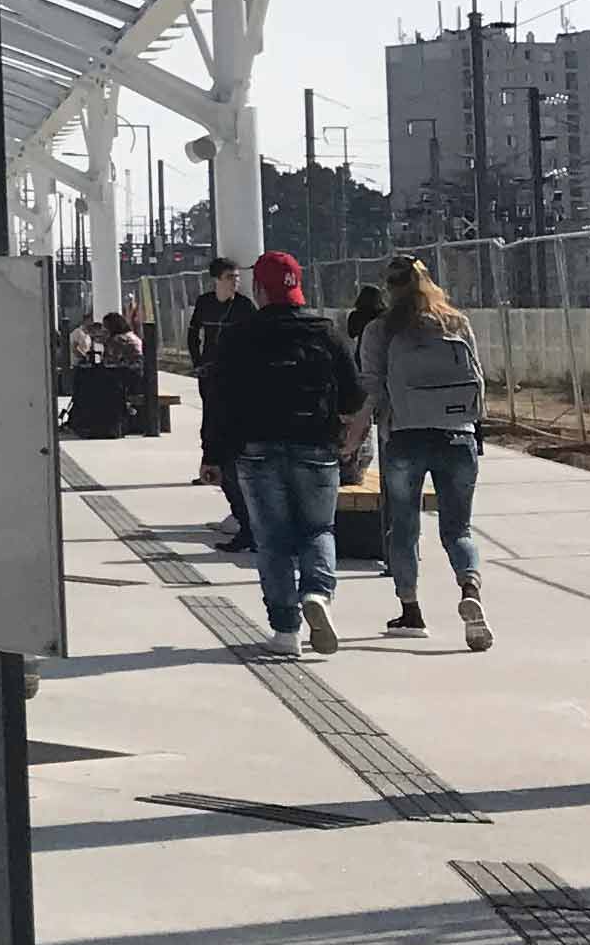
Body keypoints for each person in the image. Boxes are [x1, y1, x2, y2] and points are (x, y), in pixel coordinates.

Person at [198, 249, 365, 654]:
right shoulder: (325, 332)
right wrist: (346, 434)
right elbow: (354, 395)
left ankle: (286, 632)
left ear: (259, 289)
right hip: (316, 446)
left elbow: (220, 400)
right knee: (318, 530)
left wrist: (212, 455)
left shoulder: (239, 334)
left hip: (256, 449)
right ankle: (317, 595)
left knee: (271, 538)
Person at [358, 253, 492, 650]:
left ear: (390, 288)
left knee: (403, 528)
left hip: (404, 437)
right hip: (458, 436)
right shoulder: (456, 322)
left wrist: (357, 432)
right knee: (459, 529)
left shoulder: (380, 329)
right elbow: (478, 380)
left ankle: (411, 612)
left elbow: (372, 388)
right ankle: (470, 590)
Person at [186, 259, 257, 550]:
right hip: (209, 373)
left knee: (224, 425)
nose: (235, 282)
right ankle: (210, 462)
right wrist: (198, 360)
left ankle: (217, 465)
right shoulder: (205, 303)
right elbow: (193, 333)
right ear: (216, 279)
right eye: (230, 277)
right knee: (210, 419)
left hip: (236, 377)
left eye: (237, 278)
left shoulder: (244, 306)